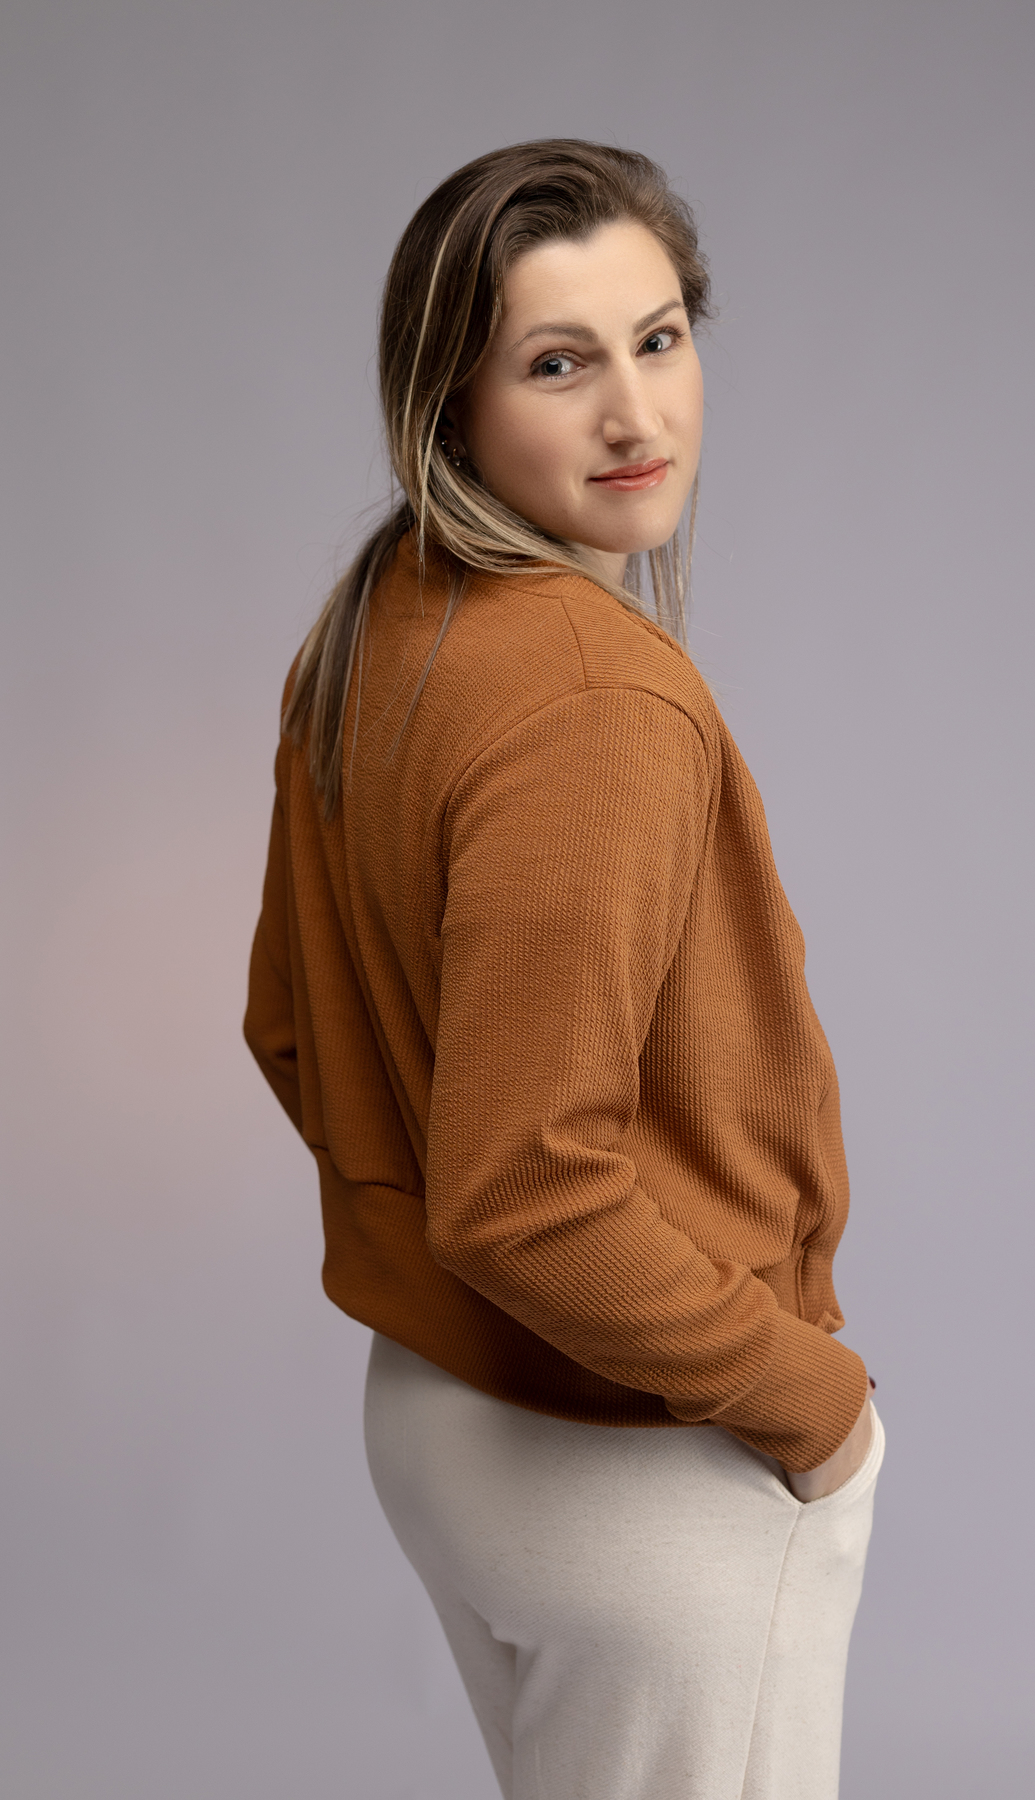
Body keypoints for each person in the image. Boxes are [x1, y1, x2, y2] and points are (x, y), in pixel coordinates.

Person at [244, 138, 883, 1800]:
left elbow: (289, 1029)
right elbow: (525, 1191)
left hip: (442, 1420)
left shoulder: (373, 622)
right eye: (556, 364)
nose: (634, 413)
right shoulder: (597, 699)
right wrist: (813, 1401)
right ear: (449, 404)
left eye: (658, 339)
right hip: (636, 1461)